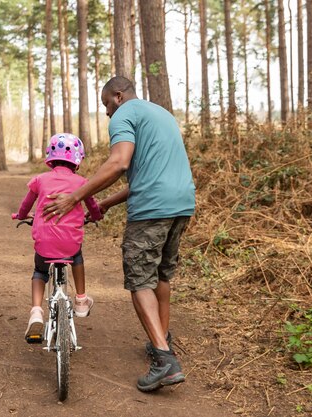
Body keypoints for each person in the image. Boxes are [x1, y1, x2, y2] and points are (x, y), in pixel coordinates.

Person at [42, 76, 196, 392]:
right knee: (161, 277)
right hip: (182, 204)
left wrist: (74, 197)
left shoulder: (125, 114)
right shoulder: (161, 114)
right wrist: (106, 204)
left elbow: (118, 163)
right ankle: (160, 341)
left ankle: (165, 360)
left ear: (117, 96)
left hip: (152, 210)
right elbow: (147, 176)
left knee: (140, 280)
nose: (108, 115)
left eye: (106, 106)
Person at [15, 133, 102, 342]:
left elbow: (26, 206)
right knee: (77, 256)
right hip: (70, 244)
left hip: (44, 243)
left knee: (39, 271)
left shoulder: (39, 180)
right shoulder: (82, 183)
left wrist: (20, 216)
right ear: (77, 160)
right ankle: (81, 299)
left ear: (50, 157)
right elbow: (93, 207)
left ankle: (36, 311)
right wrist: (96, 216)